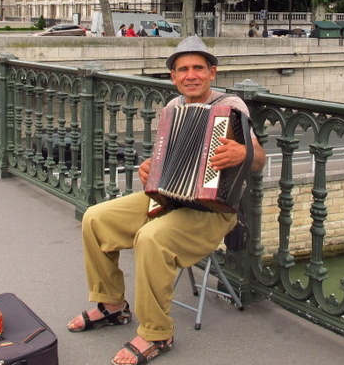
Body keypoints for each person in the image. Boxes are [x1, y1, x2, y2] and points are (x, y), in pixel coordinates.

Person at [68, 36, 265, 365]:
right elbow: (163, 159)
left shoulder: (232, 107)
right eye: (182, 69)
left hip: (214, 209)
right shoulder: (173, 108)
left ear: (212, 72)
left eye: (198, 68)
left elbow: (259, 159)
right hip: (172, 199)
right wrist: (150, 169)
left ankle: (157, 333)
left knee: (151, 237)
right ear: (173, 77)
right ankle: (112, 305)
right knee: (95, 218)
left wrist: (244, 151)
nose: (191, 75)